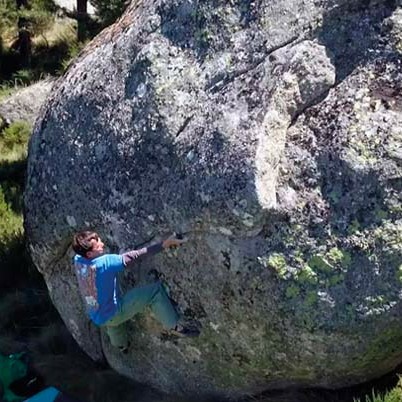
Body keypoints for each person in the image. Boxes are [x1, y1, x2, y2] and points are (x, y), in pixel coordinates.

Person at [72, 230, 198, 353]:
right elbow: (135, 256)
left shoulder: (78, 259)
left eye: (98, 239)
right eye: (97, 244)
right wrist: (164, 244)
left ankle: (121, 346)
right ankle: (175, 326)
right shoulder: (105, 263)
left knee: (112, 323)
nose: (102, 243)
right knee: (155, 291)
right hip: (114, 311)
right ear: (89, 254)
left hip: (96, 314)